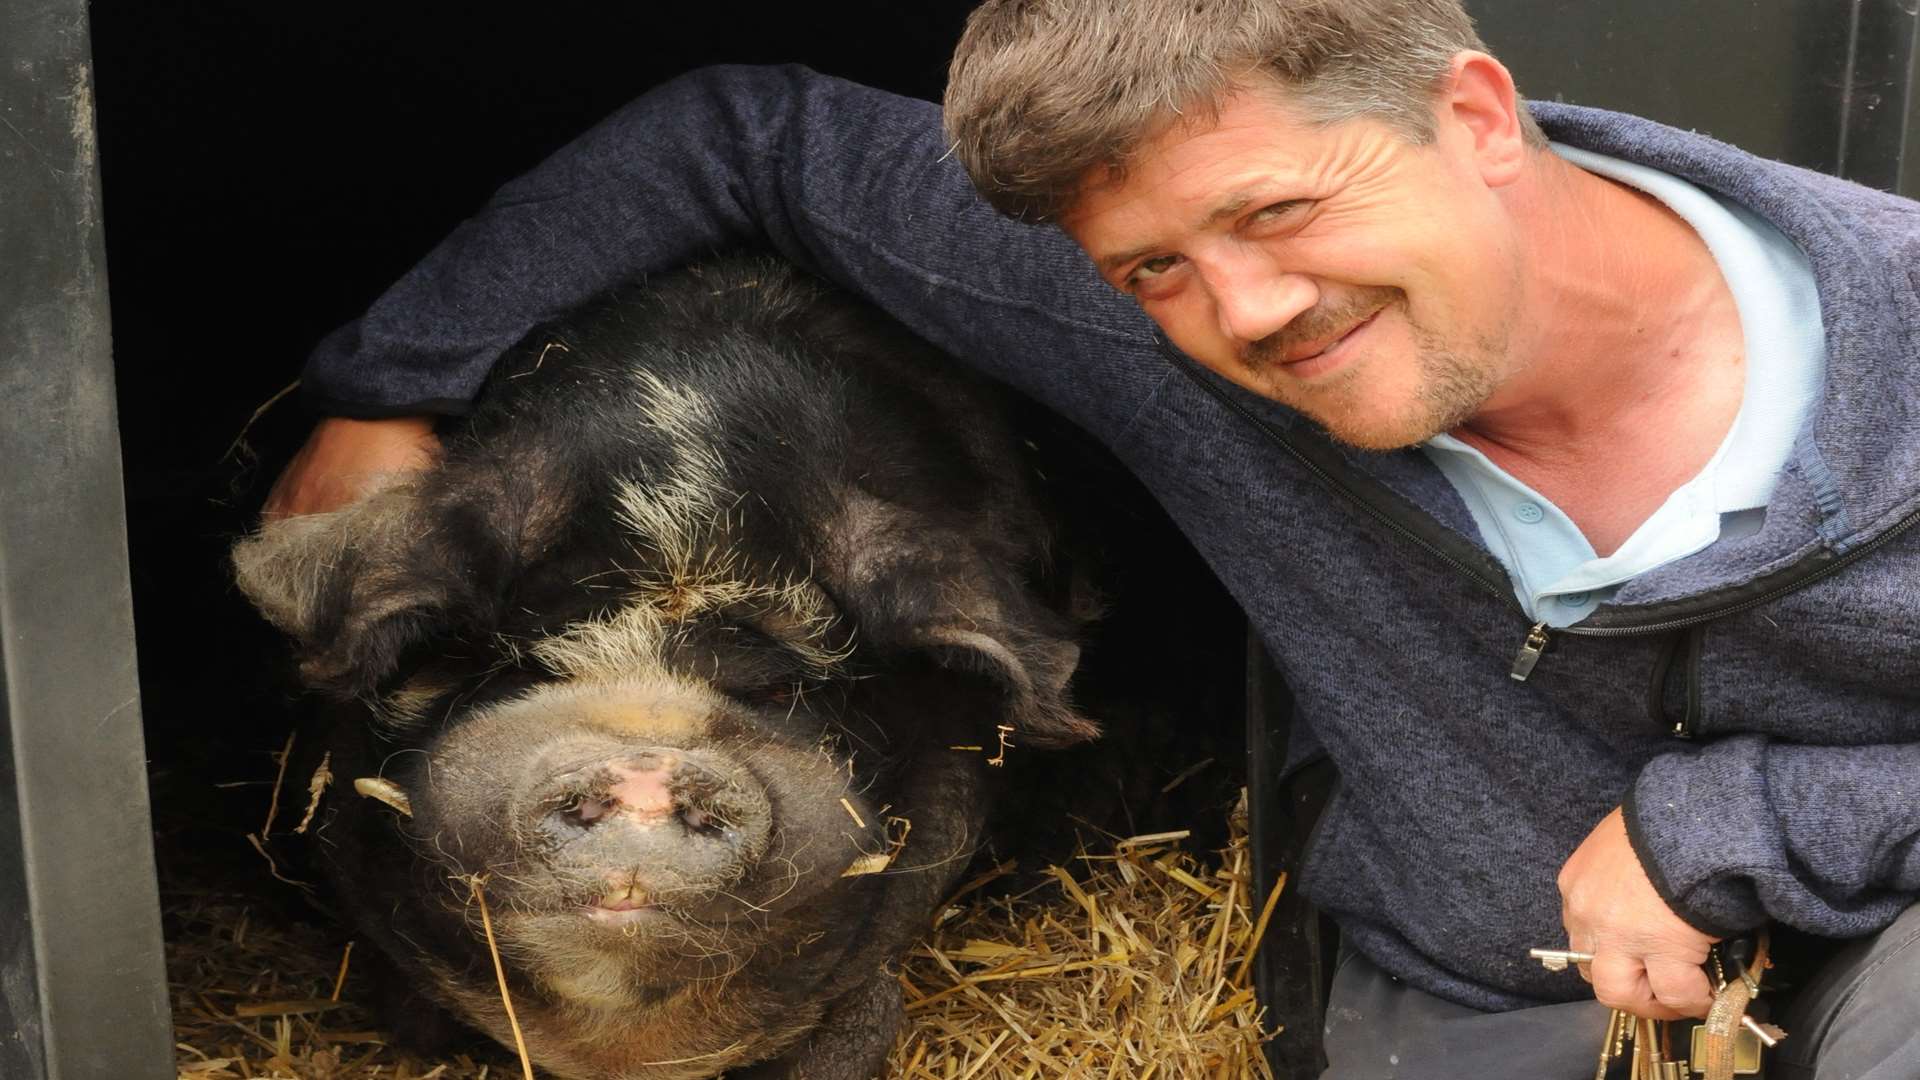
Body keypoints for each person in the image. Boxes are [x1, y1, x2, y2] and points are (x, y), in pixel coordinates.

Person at [263, 1, 1920, 1075]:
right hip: (1495, 993)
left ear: (1479, 114)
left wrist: (1742, 820)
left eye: (1285, 209)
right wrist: (386, 386)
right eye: (1154, 268)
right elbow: (746, 130)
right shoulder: (1170, 326)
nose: (1251, 309)